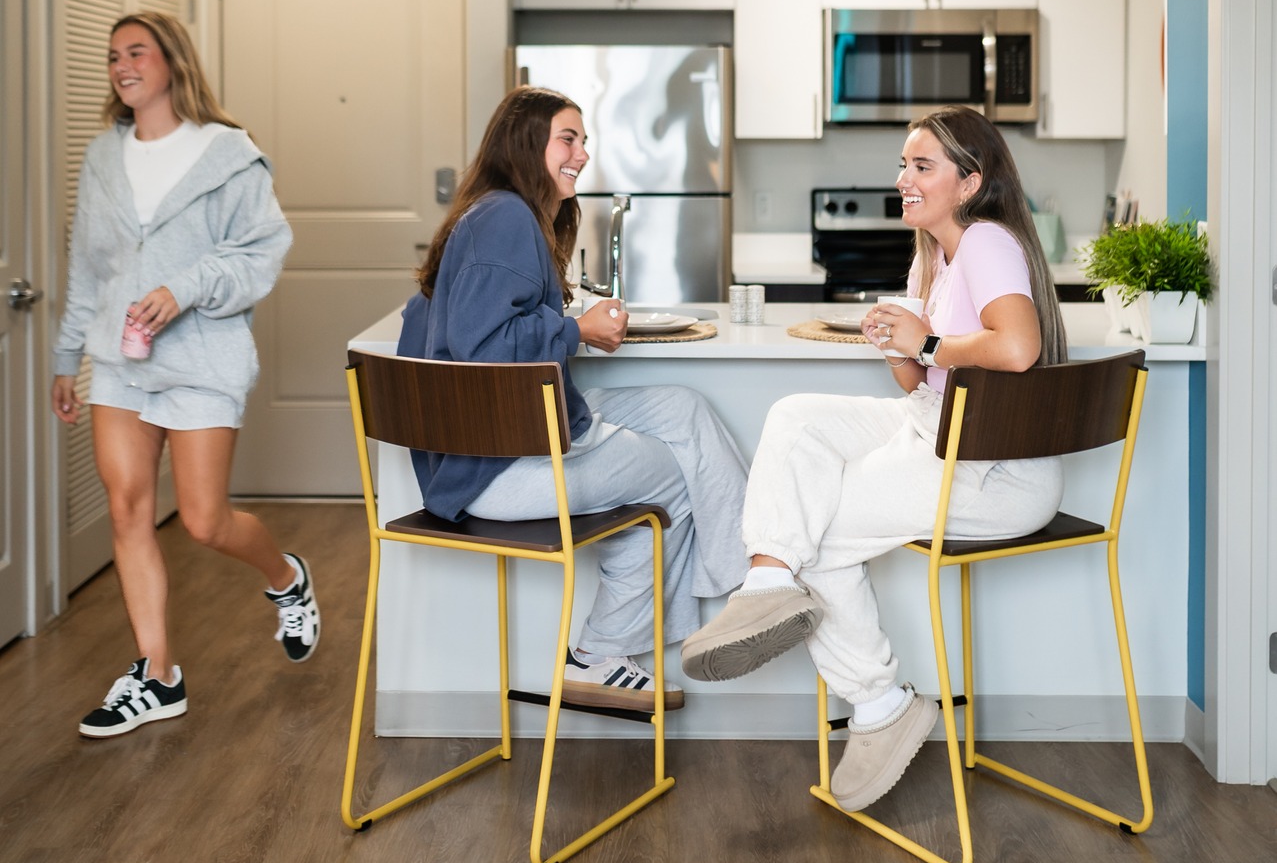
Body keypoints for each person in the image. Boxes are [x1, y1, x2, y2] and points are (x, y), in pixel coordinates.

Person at [680, 106, 1068, 811]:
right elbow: (922, 381)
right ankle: (766, 584)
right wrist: (898, 346)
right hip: (940, 426)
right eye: (902, 165)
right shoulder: (935, 253)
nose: (902, 179)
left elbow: (1017, 349)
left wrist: (925, 342)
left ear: (970, 182)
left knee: (820, 532)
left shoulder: (986, 240)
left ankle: (879, 705)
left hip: (995, 466)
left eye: (921, 166)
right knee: (796, 418)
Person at [398, 85, 748, 712]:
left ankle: (750, 582)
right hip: (493, 468)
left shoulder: (486, 213)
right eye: (568, 139)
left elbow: (433, 322)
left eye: (583, 141)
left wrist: (564, 325)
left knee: (682, 408)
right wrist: (575, 330)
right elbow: (482, 351)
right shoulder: (506, 218)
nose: (583, 155)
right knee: (674, 475)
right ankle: (602, 654)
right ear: (525, 143)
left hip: (488, 446)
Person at [51, 11, 318, 739]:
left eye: (137, 52)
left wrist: (185, 287)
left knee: (204, 521)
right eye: (113, 56)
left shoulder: (226, 153)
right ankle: (158, 675)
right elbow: (88, 269)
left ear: (172, 60)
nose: (121, 65)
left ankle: (286, 578)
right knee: (128, 511)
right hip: (119, 361)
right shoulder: (103, 156)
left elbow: (261, 253)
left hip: (201, 359)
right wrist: (67, 358)